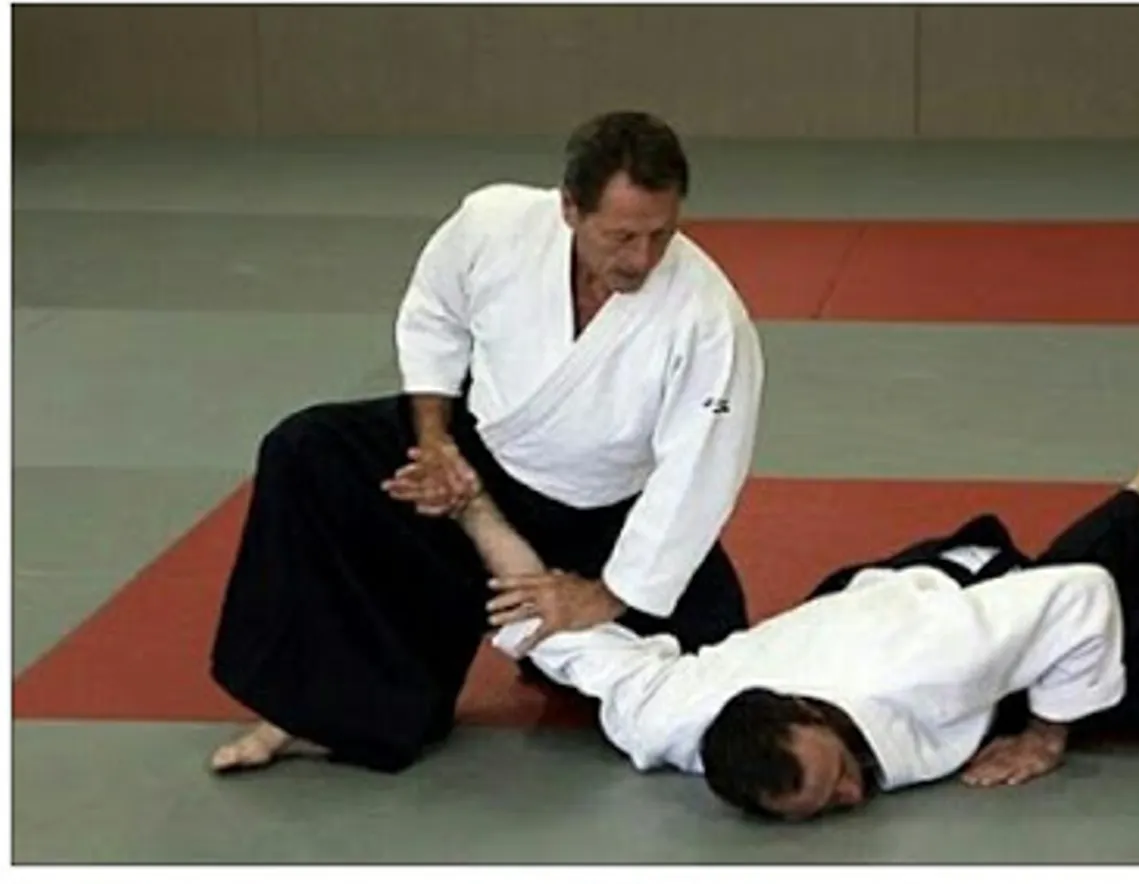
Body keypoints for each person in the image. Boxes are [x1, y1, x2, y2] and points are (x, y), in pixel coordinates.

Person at [207, 110, 765, 774]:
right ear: (569, 208)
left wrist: (605, 595)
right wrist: (434, 443)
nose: (641, 259)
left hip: (601, 518)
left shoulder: (707, 317)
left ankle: (552, 650)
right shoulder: (494, 226)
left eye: (660, 234)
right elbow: (435, 315)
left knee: (713, 676)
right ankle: (328, 713)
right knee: (308, 452)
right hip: (476, 458)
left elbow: (699, 471)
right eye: (621, 236)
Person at [465, 455, 1139, 820]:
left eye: (836, 775)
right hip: (867, 602)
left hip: (952, 590)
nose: (852, 795)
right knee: (1084, 649)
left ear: (810, 711)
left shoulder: (927, 673)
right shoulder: (669, 714)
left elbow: (1076, 599)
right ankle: (1136, 507)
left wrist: (1049, 736)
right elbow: (544, 617)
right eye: (823, 807)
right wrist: (469, 506)